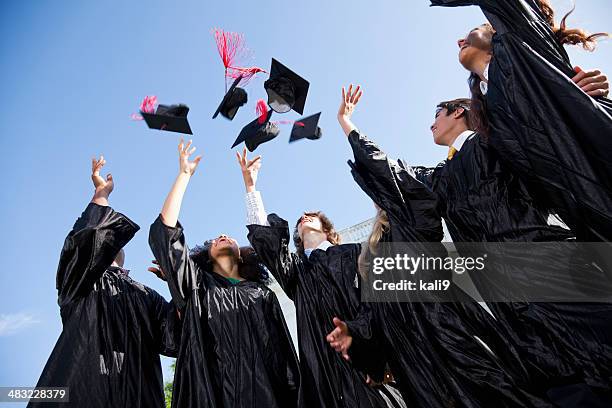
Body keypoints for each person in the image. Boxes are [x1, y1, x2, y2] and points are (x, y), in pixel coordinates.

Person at [326, 85, 552, 408]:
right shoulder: (438, 180)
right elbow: (394, 173)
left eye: (437, 115)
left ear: (458, 112)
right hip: (458, 324)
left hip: (533, 264)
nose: (431, 125)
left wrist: (348, 125)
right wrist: (356, 337)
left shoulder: (488, 142)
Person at [429, 0, 612, 241]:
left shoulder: (519, 41)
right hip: (588, 219)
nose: (459, 41)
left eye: (469, 33)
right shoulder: (489, 122)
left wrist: (585, 96)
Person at [148, 140, 299, 408]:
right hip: (213, 395)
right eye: (215, 239)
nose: (222, 236)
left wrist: (251, 185)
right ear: (205, 257)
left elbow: (284, 354)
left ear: (243, 254)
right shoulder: (198, 286)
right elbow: (166, 234)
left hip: (269, 397)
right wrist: (184, 175)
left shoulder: (262, 294)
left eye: (229, 237)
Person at [240, 149, 394, 408]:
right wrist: (251, 185)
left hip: (366, 364)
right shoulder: (296, 271)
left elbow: (379, 303)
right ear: (297, 238)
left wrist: (381, 356)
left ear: (327, 229)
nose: (304, 217)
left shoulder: (354, 253)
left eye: (312, 216)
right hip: (323, 373)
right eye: (300, 219)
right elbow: (267, 243)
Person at [29, 156, 180, 408]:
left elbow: (174, 338)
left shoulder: (146, 295)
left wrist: (175, 281)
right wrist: (101, 193)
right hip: (82, 389)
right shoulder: (80, 280)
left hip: (138, 394)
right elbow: (85, 240)